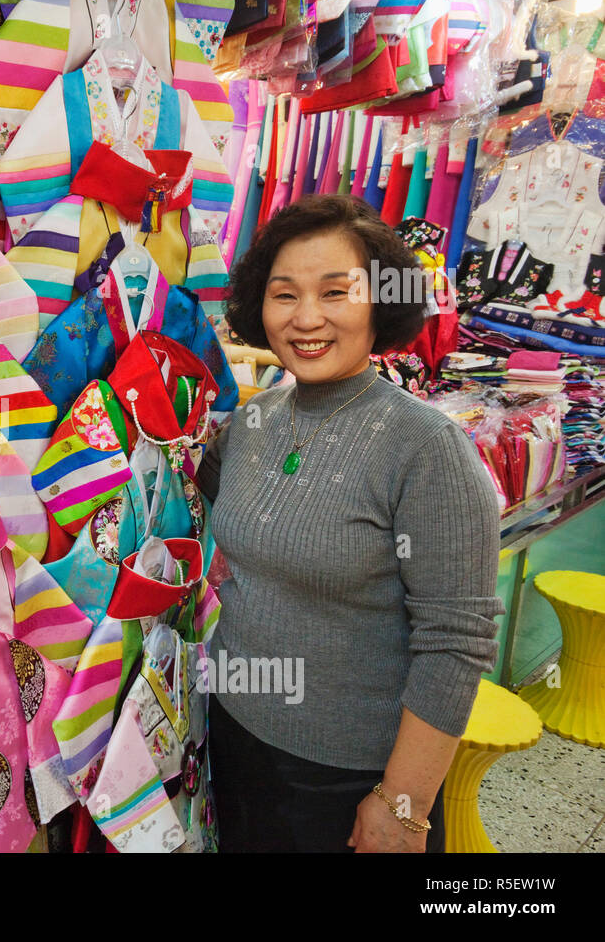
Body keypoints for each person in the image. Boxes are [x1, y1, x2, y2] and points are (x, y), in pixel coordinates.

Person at [196, 194, 504, 852]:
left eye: (336, 292)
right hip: (227, 740)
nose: (307, 318)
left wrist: (403, 804)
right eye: (285, 295)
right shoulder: (250, 424)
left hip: (346, 780)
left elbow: (455, 643)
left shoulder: (426, 448)